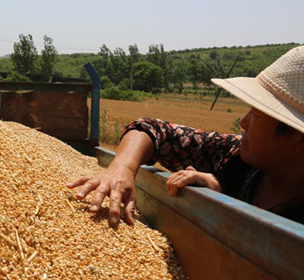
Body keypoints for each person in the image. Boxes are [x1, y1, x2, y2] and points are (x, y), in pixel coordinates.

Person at [67, 46, 304, 226]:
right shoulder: (233, 155)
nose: (243, 122)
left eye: (257, 115)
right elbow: (153, 129)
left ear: (298, 139)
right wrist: (122, 169)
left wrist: (222, 198)